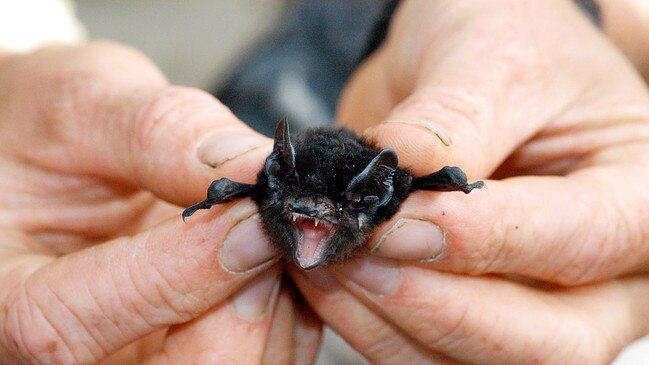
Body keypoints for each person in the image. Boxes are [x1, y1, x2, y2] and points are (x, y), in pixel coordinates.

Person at [0, 0, 648, 364]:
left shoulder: (374, 192)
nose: (308, 225)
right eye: (300, 213)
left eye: (319, 216)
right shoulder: (270, 185)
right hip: (263, 131)